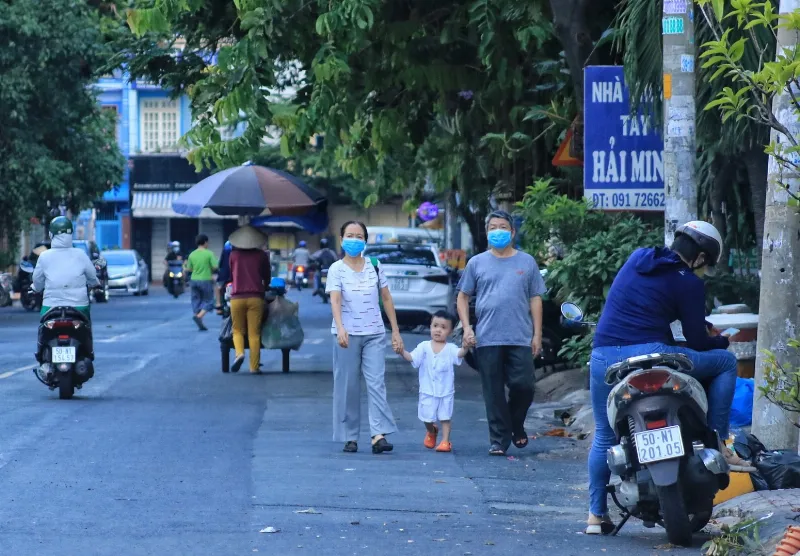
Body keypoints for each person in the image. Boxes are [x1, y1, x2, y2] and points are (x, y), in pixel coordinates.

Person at [585, 220, 754, 535]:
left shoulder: (639, 258)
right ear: (701, 257)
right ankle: (719, 441)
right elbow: (698, 339)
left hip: (605, 356)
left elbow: (646, 309)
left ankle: (595, 516)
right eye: (706, 265)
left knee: (604, 436)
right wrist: (720, 340)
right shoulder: (689, 281)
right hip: (654, 351)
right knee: (726, 362)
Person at [456, 209, 546, 456]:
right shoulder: (477, 263)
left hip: (520, 336)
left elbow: (535, 299)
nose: (498, 231)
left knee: (524, 386)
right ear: (486, 233)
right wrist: (467, 327)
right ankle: (498, 440)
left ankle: (515, 424)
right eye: (493, 227)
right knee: (493, 391)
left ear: (512, 232)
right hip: (487, 337)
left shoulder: (526, 262)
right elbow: (462, 298)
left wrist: (536, 335)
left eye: (503, 227)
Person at [326, 221, 404, 454]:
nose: (354, 239)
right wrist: (340, 328)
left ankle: (378, 435)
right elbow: (336, 299)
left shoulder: (375, 265)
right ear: (341, 240)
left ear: (365, 241)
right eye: (349, 235)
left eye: (359, 236)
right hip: (347, 335)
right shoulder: (336, 269)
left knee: (376, 383)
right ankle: (349, 436)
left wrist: (395, 330)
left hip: (374, 333)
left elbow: (387, 298)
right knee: (347, 386)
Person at [31, 216, 100, 365]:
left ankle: (40, 351)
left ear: (51, 234)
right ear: (71, 234)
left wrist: (35, 289)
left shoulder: (44, 257)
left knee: (43, 328)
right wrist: (96, 284)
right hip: (79, 307)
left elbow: (37, 282)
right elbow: (92, 277)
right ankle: (89, 350)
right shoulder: (80, 255)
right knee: (86, 327)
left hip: (51, 307)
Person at [401, 310, 467, 453]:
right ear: (430, 326)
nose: (438, 330)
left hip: (445, 390)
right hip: (427, 390)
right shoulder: (424, 346)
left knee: (445, 416)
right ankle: (431, 430)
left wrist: (466, 347)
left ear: (450, 332)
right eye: (435, 325)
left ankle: (445, 441)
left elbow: (459, 354)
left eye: (443, 327)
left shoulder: (450, 349)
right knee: (427, 417)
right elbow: (412, 358)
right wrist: (401, 351)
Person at [228, 227, 271, 374]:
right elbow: (267, 275)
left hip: (237, 298)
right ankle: (254, 367)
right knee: (254, 334)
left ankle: (239, 353)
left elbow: (231, 274)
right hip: (256, 298)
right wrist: (266, 284)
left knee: (238, 330)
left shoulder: (233, 255)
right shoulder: (261, 255)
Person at [185, 234, 218, 331]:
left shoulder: (192, 254)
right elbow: (215, 267)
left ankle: (199, 319)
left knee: (196, 300)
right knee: (209, 300)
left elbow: (189, 269)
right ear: (205, 242)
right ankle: (199, 316)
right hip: (205, 279)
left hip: (194, 280)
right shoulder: (209, 254)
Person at [215, 240, 233, 314]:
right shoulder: (239, 252)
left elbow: (220, 264)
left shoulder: (225, 249)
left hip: (224, 275)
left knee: (218, 287)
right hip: (234, 275)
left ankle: (218, 305)